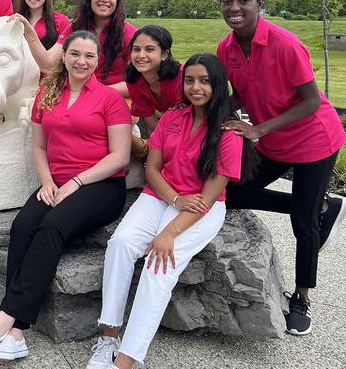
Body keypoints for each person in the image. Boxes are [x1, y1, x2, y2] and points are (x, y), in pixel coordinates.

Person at [0, 31, 132, 364]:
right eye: (75, 54)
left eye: (90, 56)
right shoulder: (47, 94)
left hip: (102, 185)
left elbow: (119, 156)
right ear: (64, 56)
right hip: (57, 182)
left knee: (52, 227)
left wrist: (78, 182)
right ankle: (15, 337)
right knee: (23, 226)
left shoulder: (109, 99)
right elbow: (38, 147)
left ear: (98, 61)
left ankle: (5, 320)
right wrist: (48, 182)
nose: (82, 62)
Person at [86, 54, 251, 369]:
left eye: (204, 80)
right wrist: (174, 199)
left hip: (202, 208)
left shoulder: (229, 132)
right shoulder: (174, 117)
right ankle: (108, 337)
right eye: (190, 80)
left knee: (157, 267)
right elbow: (152, 168)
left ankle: (127, 359)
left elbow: (210, 194)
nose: (195, 87)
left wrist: (169, 232)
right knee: (120, 244)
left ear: (217, 84)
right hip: (162, 196)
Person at [216, 0, 346, 336]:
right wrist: (211, 113)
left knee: (302, 226)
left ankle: (303, 297)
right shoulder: (226, 48)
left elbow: (310, 102)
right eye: (228, 1)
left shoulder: (285, 43)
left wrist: (257, 130)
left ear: (261, 3)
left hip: (313, 139)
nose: (235, 7)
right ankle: (323, 206)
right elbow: (242, 91)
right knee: (233, 193)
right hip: (274, 140)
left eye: (243, 0)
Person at [18, 0, 136, 96]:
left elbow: (136, 84)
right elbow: (48, 65)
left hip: (111, 100)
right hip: (74, 98)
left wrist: (97, 92)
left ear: (118, 0)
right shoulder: (75, 27)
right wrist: (29, 32)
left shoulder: (129, 33)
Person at [125, 25, 183, 159]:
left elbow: (187, 125)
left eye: (149, 49)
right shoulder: (135, 79)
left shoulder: (181, 78)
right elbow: (151, 126)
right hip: (169, 122)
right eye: (136, 49)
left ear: (164, 54)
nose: (141, 55)